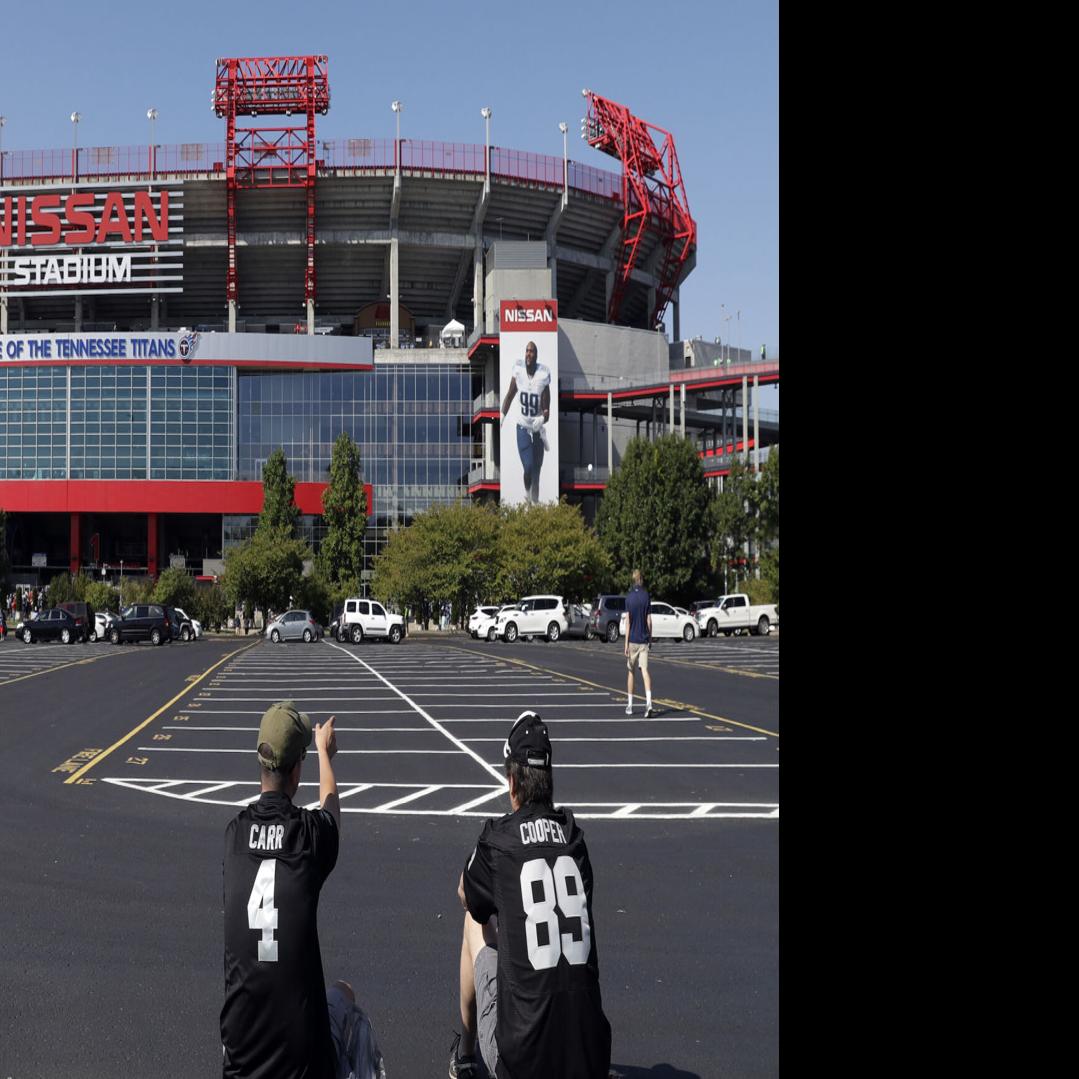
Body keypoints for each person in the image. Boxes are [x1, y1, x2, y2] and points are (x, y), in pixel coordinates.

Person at [221, 701, 385, 1079]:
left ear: (260, 764)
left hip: (240, 1055)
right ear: (297, 770)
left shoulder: (233, 836)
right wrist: (325, 755)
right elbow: (331, 813)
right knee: (344, 994)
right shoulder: (307, 836)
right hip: (303, 1061)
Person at [450, 710, 612, 1079]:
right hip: (590, 1057)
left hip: (522, 1060)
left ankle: (464, 1055)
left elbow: (466, 895)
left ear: (512, 783)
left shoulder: (498, 839)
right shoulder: (575, 839)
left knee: (474, 923)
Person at [501, 340, 551, 505]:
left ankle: (535, 502)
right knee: (528, 467)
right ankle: (527, 496)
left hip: (537, 430)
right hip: (522, 427)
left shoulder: (543, 377)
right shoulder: (519, 371)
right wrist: (502, 415)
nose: (528, 354)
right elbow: (509, 395)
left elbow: (547, 411)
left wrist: (542, 418)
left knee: (537, 472)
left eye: (532, 351)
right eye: (527, 351)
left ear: (536, 355)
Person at [622, 569, 654, 717]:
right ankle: (649, 703)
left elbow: (628, 622)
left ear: (633, 580)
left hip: (633, 640)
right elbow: (649, 620)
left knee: (631, 671)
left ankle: (630, 705)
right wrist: (650, 637)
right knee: (645, 671)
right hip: (643, 640)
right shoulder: (646, 596)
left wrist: (626, 644)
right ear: (641, 580)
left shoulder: (629, 598)